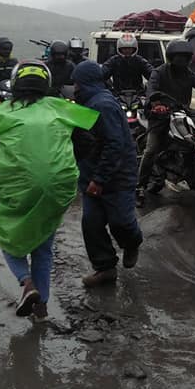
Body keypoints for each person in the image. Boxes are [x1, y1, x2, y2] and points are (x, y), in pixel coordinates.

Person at [0, 63, 99, 323]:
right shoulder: (61, 110)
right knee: (43, 246)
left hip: (21, 185)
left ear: (16, 84)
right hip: (59, 185)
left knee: (8, 237)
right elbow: (88, 143)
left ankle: (27, 283)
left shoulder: (3, 113)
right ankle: (41, 308)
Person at [71, 61, 144, 287]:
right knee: (91, 224)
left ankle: (132, 243)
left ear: (85, 82)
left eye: (77, 83)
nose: (74, 87)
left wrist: (99, 179)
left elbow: (114, 145)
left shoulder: (103, 105)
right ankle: (105, 268)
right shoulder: (86, 104)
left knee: (121, 222)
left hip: (117, 177)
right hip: (91, 175)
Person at [136, 39, 195, 207]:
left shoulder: (188, 74)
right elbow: (152, 89)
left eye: (185, 57)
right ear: (171, 58)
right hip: (160, 116)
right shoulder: (159, 72)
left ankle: (192, 176)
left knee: (194, 140)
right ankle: (139, 187)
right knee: (151, 150)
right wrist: (156, 104)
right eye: (178, 57)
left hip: (181, 113)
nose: (181, 61)